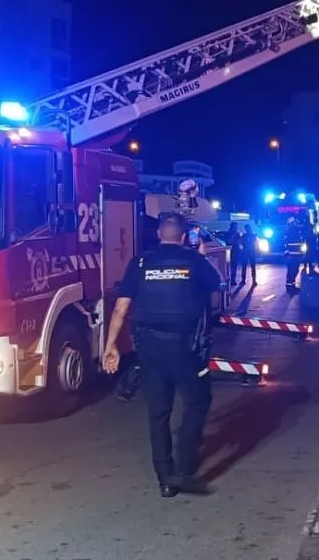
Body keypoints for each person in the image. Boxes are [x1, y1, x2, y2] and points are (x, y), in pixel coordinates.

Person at [103, 212, 221, 497]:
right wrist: (201, 255)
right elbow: (216, 287)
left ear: (158, 234)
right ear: (183, 236)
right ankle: (186, 464)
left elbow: (120, 308)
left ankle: (166, 479)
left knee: (158, 413)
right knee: (197, 401)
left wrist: (110, 346)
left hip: (149, 349)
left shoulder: (140, 263)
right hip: (186, 348)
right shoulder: (194, 261)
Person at [283, 217, 307, 290]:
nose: (296, 224)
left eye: (296, 222)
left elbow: (301, 243)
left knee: (295, 270)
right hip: (291, 255)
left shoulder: (297, 232)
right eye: (294, 223)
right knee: (292, 270)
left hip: (297, 255)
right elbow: (285, 244)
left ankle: (292, 284)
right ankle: (290, 285)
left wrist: (302, 253)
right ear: (291, 224)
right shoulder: (290, 232)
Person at [222, 221, 241, 286]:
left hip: (235, 252)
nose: (236, 228)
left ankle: (233, 280)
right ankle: (227, 280)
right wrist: (233, 241)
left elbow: (239, 242)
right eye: (235, 227)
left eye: (236, 227)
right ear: (232, 227)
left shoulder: (237, 234)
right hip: (229, 252)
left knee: (234, 266)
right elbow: (227, 241)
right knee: (228, 266)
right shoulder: (227, 233)